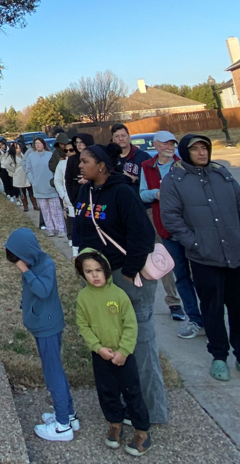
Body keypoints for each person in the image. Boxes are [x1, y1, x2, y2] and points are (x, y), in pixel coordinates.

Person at [71, 144, 168, 425]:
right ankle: (126, 402)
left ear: (102, 165)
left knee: (139, 342)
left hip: (127, 278)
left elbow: (142, 235)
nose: (80, 165)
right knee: (110, 342)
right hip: (98, 280)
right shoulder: (85, 191)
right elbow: (83, 231)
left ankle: (151, 410)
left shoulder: (122, 192)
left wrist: (128, 272)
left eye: (85, 161)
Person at [159, 134, 240, 384]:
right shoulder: (174, 180)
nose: (201, 153)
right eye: (195, 149)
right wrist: (195, 243)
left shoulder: (222, 175)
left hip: (235, 254)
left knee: (239, 309)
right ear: (186, 152)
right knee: (212, 309)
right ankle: (219, 356)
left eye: (204, 148)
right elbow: (172, 218)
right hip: (205, 257)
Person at [74, 248, 152, 456]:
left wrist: (123, 351)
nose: (95, 275)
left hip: (123, 355)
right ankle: (115, 423)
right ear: (82, 274)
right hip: (101, 355)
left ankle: (142, 431)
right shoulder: (83, 297)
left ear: (107, 270)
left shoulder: (119, 294)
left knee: (132, 391)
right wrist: (98, 348)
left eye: (98, 270)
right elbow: (83, 325)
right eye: (88, 271)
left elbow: (130, 325)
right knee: (107, 391)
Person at [7, 227, 78, 443]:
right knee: (54, 369)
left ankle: (62, 426)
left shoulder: (44, 266)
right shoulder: (37, 261)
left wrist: (25, 271)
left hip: (48, 327)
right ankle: (68, 414)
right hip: (41, 324)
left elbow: (43, 290)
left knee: (53, 373)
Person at [138, 131, 202, 335]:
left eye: (172, 143)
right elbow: (142, 194)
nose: (170, 147)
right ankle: (194, 318)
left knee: (202, 275)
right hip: (165, 228)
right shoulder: (147, 166)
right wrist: (157, 193)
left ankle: (209, 316)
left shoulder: (183, 164)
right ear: (156, 145)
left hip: (191, 227)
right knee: (181, 275)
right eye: (165, 143)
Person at [25, 138, 65, 237]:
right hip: (38, 187)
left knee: (56, 210)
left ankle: (60, 229)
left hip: (51, 187)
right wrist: (32, 181)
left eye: (39, 143)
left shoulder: (50, 155)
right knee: (45, 211)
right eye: (36, 143)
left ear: (43, 144)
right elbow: (28, 169)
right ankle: (50, 229)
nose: (38, 145)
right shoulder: (31, 156)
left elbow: (56, 168)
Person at [110, 124, 150, 188]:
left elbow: (151, 180)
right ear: (113, 139)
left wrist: (134, 179)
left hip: (137, 196)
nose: (120, 139)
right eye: (117, 136)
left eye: (123, 136)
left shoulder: (143, 157)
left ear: (128, 137)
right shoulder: (109, 158)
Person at [6, 140, 32, 211]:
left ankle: (35, 205)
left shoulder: (23, 154)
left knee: (31, 190)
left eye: (19, 148)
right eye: (17, 148)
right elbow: (6, 164)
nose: (19, 149)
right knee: (22, 192)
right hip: (19, 175)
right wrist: (13, 170)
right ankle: (25, 206)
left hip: (26, 174)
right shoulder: (12, 156)